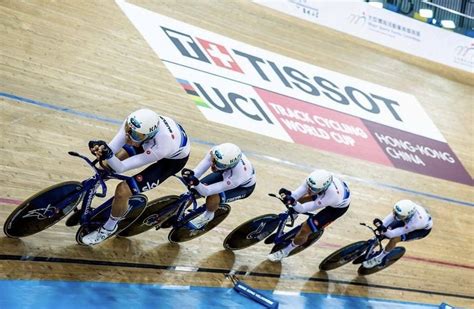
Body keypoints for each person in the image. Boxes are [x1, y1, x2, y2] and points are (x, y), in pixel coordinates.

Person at [82, 108, 190, 245]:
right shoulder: (134, 123)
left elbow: (121, 167)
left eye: (135, 136)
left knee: (123, 190)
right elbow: (112, 150)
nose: (129, 137)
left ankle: (109, 227)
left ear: (149, 134)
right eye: (128, 131)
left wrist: (109, 155)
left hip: (170, 160)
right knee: (105, 165)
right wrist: (100, 149)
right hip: (148, 142)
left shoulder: (163, 145)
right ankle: (92, 189)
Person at [268, 169, 351, 262]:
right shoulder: (313, 181)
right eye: (309, 187)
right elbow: (296, 195)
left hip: (336, 208)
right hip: (323, 193)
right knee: (300, 199)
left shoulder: (332, 196)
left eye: (313, 189)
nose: (309, 190)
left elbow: (303, 208)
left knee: (305, 229)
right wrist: (289, 196)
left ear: (324, 187)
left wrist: (294, 203)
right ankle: (293, 214)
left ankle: (286, 251)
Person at [180, 143, 256, 229]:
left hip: (241, 188)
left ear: (229, 165)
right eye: (214, 160)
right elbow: (197, 172)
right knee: (194, 191)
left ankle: (207, 216)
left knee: (213, 196)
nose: (214, 165)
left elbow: (206, 191)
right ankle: (175, 211)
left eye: (218, 164)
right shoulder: (216, 152)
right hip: (225, 173)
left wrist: (196, 182)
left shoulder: (238, 176)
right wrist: (191, 176)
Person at [362, 199, 433, 268]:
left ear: (408, 215)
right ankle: (370, 248)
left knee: (395, 239)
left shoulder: (415, 223)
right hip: (406, 219)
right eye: (395, 213)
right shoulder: (402, 210)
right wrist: (381, 225)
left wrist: (384, 230)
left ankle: (379, 259)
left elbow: (392, 234)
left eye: (398, 215)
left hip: (420, 230)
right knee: (383, 232)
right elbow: (389, 220)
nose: (395, 216)